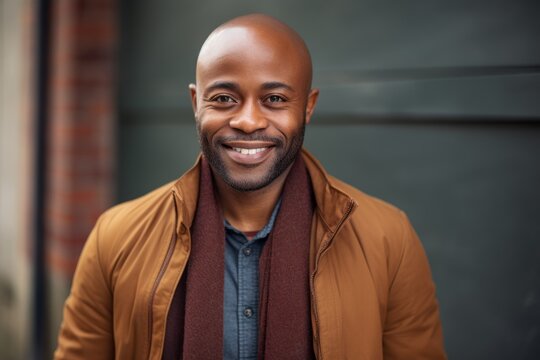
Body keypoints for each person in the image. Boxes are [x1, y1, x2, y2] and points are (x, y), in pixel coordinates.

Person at [55, 13, 446, 360]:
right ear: (196, 102)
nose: (247, 121)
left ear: (307, 107)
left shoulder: (388, 239)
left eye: (274, 99)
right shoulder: (115, 236)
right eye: (224, 98)